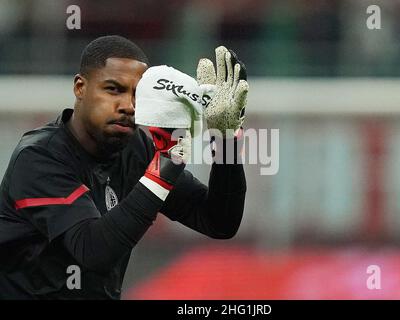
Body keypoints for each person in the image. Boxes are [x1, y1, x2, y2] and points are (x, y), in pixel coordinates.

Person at [0, 35, 248, 299]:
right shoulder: (38, 157)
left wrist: (225, 140)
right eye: (113, 89)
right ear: (80, 88)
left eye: (136, 94)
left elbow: (218, 221)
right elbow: (93, 250)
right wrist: (164, 170)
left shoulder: (135, 148)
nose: (128, 106)